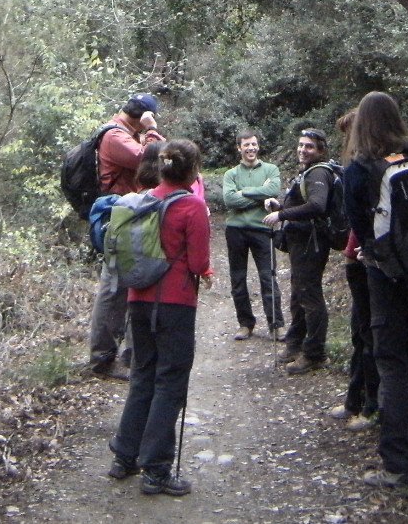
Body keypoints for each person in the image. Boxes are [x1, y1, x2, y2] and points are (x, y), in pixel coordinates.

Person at [342, 91, 408, 489]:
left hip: (384, 275)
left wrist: (375, 256)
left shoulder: (359, 167)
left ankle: (396, 463)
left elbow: (360, 226)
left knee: (390, 360)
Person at [108, 138, 212, 497]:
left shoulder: (144, 200)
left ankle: (124, 457)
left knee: (143, 375)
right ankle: (156, 469)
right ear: (192, 170)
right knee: (170, 382)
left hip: (138, 298)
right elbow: (198, 263)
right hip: (175, 304)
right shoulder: (192, 206)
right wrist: (206, 272)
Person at [87, 93, 163, 381]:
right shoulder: (116, 137)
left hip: (131, 215)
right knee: (113, 287)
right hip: (118, 218)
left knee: (128, 285)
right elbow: (149, 161)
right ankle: (102, 359)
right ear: (141, 116)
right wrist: (152, 129)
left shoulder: (125, 134)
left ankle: (128, 354)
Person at [262, 126, 336, 375]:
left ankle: (315, 354)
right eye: (301, 145)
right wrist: (281, 205)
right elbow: (305, 204)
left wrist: (281, 214)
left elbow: (317, 205)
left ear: (321, 150)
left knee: (309, 296)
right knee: (298, 293)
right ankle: (295, 344)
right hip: (303, 242)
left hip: (310, 243)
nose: (303, 150)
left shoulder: (318, 174)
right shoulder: (311, 172)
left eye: (309, 147)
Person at [329, 109, 378, 430]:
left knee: (369, 333)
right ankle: (355, 399)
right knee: (360, 333)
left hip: (367, 261)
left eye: (350, 133)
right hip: (357, 258)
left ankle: (370, 406)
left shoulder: (368, 168)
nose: (346, 141)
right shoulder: (360, 166)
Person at [221, 131, 284, 341]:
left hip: (263, 228)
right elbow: (230, 200)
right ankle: (245, 324)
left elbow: (274, 189)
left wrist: (244, 192)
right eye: (246, 145)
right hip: (235, 230)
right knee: (238, 278)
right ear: (239, 148)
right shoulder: (230, 174)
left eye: (254, 144)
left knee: (268, 276)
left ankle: (276, 324)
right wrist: (260, 195)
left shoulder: (270, 169)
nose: (251, 148)